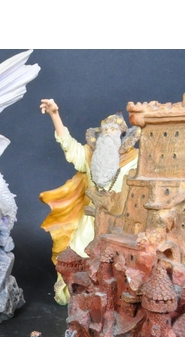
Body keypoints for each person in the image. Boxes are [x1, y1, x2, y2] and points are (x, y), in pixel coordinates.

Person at [39, 99, 140, 304]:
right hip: (90, 221)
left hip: (122, 223)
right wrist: (55, 115)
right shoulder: (90, 156)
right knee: (76, 254)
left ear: (121, 136)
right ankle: (79, 294)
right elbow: (69, 146)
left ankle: (115, 298)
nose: (108, 134)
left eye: (113, 130)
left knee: (122, 264)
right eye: (105, 131)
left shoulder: (136, 159)